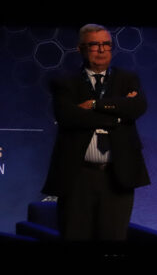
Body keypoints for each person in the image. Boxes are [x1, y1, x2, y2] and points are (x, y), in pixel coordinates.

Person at [43, 24, 150, 240]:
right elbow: (68, 116)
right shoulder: (64, 82)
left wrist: (93, 105)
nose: (101, 50)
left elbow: (137, 107)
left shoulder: (127, 79)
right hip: (78, 177)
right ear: (81, 48)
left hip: (117, 176)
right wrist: (118, 114)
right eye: (94, 45)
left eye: (106, 45)